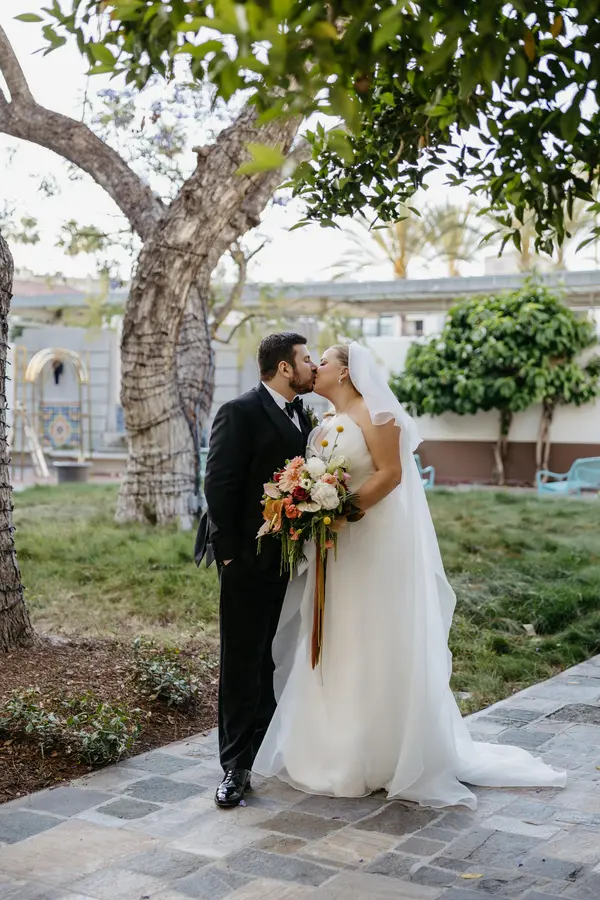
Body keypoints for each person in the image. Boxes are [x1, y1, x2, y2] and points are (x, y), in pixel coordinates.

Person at [254, 341, 566, 809]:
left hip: (368, 542)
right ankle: (330, 747)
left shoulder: (378, 415)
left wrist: (339, 512)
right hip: (334, 550)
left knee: (369, 634)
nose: (315, 367)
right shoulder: (324, 420)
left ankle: (380, 753)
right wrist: (311, 508)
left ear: (345, 371)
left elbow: (390, 474)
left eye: (325, 361)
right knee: (336, 635)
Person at [195, 333, 317, 808]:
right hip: (246, 560)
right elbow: (218, 483)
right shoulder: (239, 411)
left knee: (273, 656)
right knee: (242, 661)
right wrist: (229, 555)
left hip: (287, 561)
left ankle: (265, 747)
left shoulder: (302, 415)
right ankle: (234, 765)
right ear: (285, 368)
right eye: (306, 359)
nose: (311, 366)